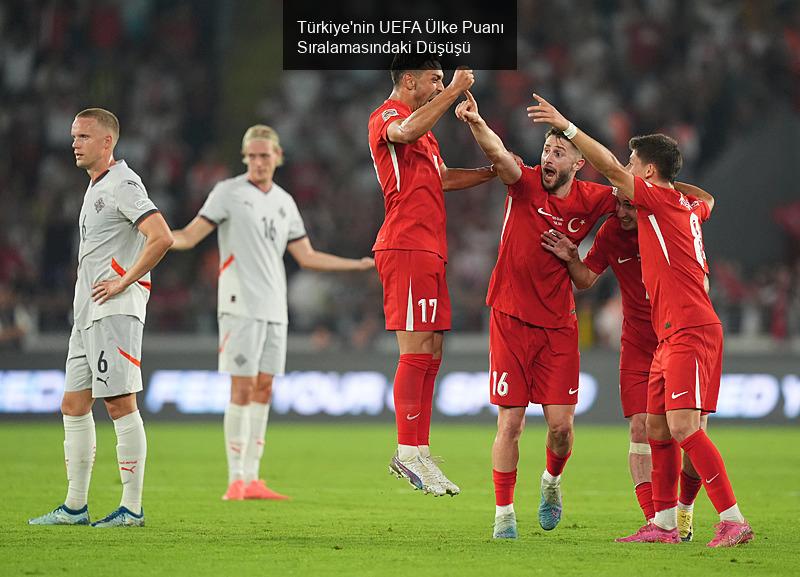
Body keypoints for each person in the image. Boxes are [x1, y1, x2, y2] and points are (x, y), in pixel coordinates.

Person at [528, 94, 753, 547]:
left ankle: (732, 519)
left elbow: (610, 169)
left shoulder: (662, 203)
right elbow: (705, 199)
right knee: (654, 426)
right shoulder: (682, 207)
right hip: (667, 334)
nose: (625, 170)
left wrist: (567, 128)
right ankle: (665, 524)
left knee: (687, 428)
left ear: (648, 173)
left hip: (689, 328)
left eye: (634, 162)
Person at [170, 124, 374, 501]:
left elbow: (306, 256)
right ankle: (235, 480)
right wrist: (160, 238)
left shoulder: (284, 201)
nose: (259, 162)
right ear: (245, 158)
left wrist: (356, 265)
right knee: (242, 386)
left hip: (274, 308)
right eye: (252, 156)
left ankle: (253, 477)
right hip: (239, 305)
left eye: (265, 155)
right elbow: (190, 235)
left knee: (265, 388)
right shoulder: (227, 193)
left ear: (278, 157)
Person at [454, 91, 616, 538]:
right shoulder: (522, 182)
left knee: (561, 428)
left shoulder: (592, 199)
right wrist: (475, 120)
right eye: (546, 150)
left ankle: (550, 483)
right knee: (511, 422)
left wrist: (573, 257)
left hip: (559, 327)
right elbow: (498, 154)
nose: (548, 158)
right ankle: (503, 515)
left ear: (577, 164)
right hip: (509, 319)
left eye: (559, 152)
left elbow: (624, 183)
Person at [29, 108, 174, 527]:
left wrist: (124, 281)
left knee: (118, 403)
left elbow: (161, 236)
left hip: (115, 311)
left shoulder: (123, 184)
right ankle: (75, 507)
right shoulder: (97, 187)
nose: (75, 143)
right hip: (87, 314)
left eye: (84, 136)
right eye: (74, 136)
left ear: (108, 142)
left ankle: (131, 508)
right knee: (73, 404)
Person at [541, 196, 709, 541]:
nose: (621, 212)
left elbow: (707, 200)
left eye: (630, 205)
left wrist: (666, 186)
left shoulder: (669, 218)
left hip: (681, 335)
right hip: (638, 344)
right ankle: (656, 521)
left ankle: (685, 510)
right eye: (617, 204)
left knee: (690, 433)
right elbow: (586, 279)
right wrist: (572, 258)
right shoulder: (612, 232)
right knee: (640, 428)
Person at [369, 54, 497, 497]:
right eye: (434, 79)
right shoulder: (389, 116)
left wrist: (490, 173)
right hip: (404, 244)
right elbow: (404, 132)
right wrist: (454, 89)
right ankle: (406, 453)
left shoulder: (426, 131)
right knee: (415, 347)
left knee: (433, 349)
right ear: (409, 80)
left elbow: (441, 178)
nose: (440, 84)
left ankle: (420, 450)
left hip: (430, 248)